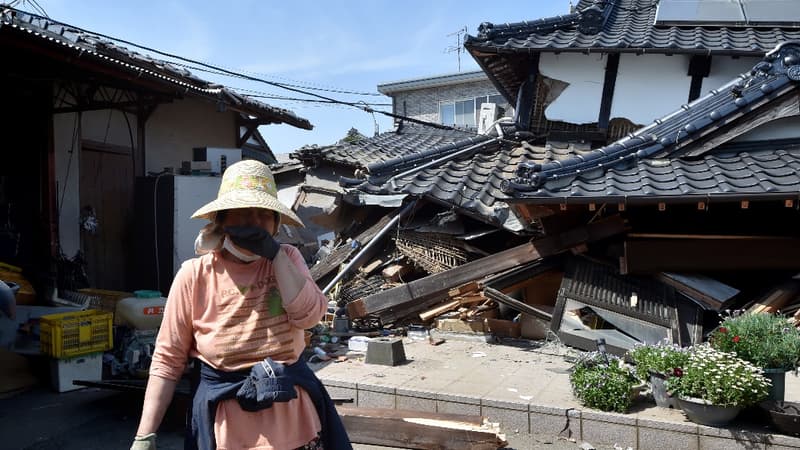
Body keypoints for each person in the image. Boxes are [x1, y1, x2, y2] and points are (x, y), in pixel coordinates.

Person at [131, 160, 350, 450]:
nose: (254, 223)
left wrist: (276, 256)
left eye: (263, 215)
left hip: (292, 415)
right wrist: (145, 435)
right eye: (244, 213)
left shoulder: (287, 259)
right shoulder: (195, 275)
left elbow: (309, 317)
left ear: (275, 224)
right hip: (228, 421)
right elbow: (168, 360)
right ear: (222, 221)